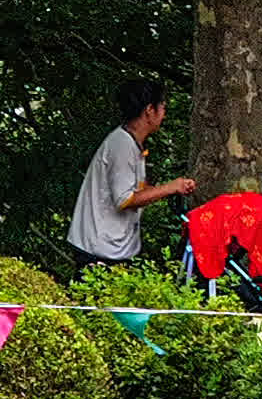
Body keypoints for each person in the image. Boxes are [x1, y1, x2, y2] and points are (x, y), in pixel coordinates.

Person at [68, 81, 196, 269]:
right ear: (149, 110)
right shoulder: (122, 145)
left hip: (111, 247)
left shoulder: (131, 143)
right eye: (162, 107)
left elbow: (135, 192)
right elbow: (125, 199)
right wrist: (170, 187)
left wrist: (170, 189)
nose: (164, 114)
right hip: (99, 250)